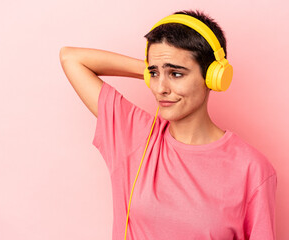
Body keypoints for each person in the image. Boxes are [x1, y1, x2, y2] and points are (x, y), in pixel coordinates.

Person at [59, 9, 277, 240]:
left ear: (213, 76)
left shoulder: (252, 169)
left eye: (177, 74)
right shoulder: (135, 135)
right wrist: (154, 68)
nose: (160, 88)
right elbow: (71, 58)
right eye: (154, 74)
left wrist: (161, 68)